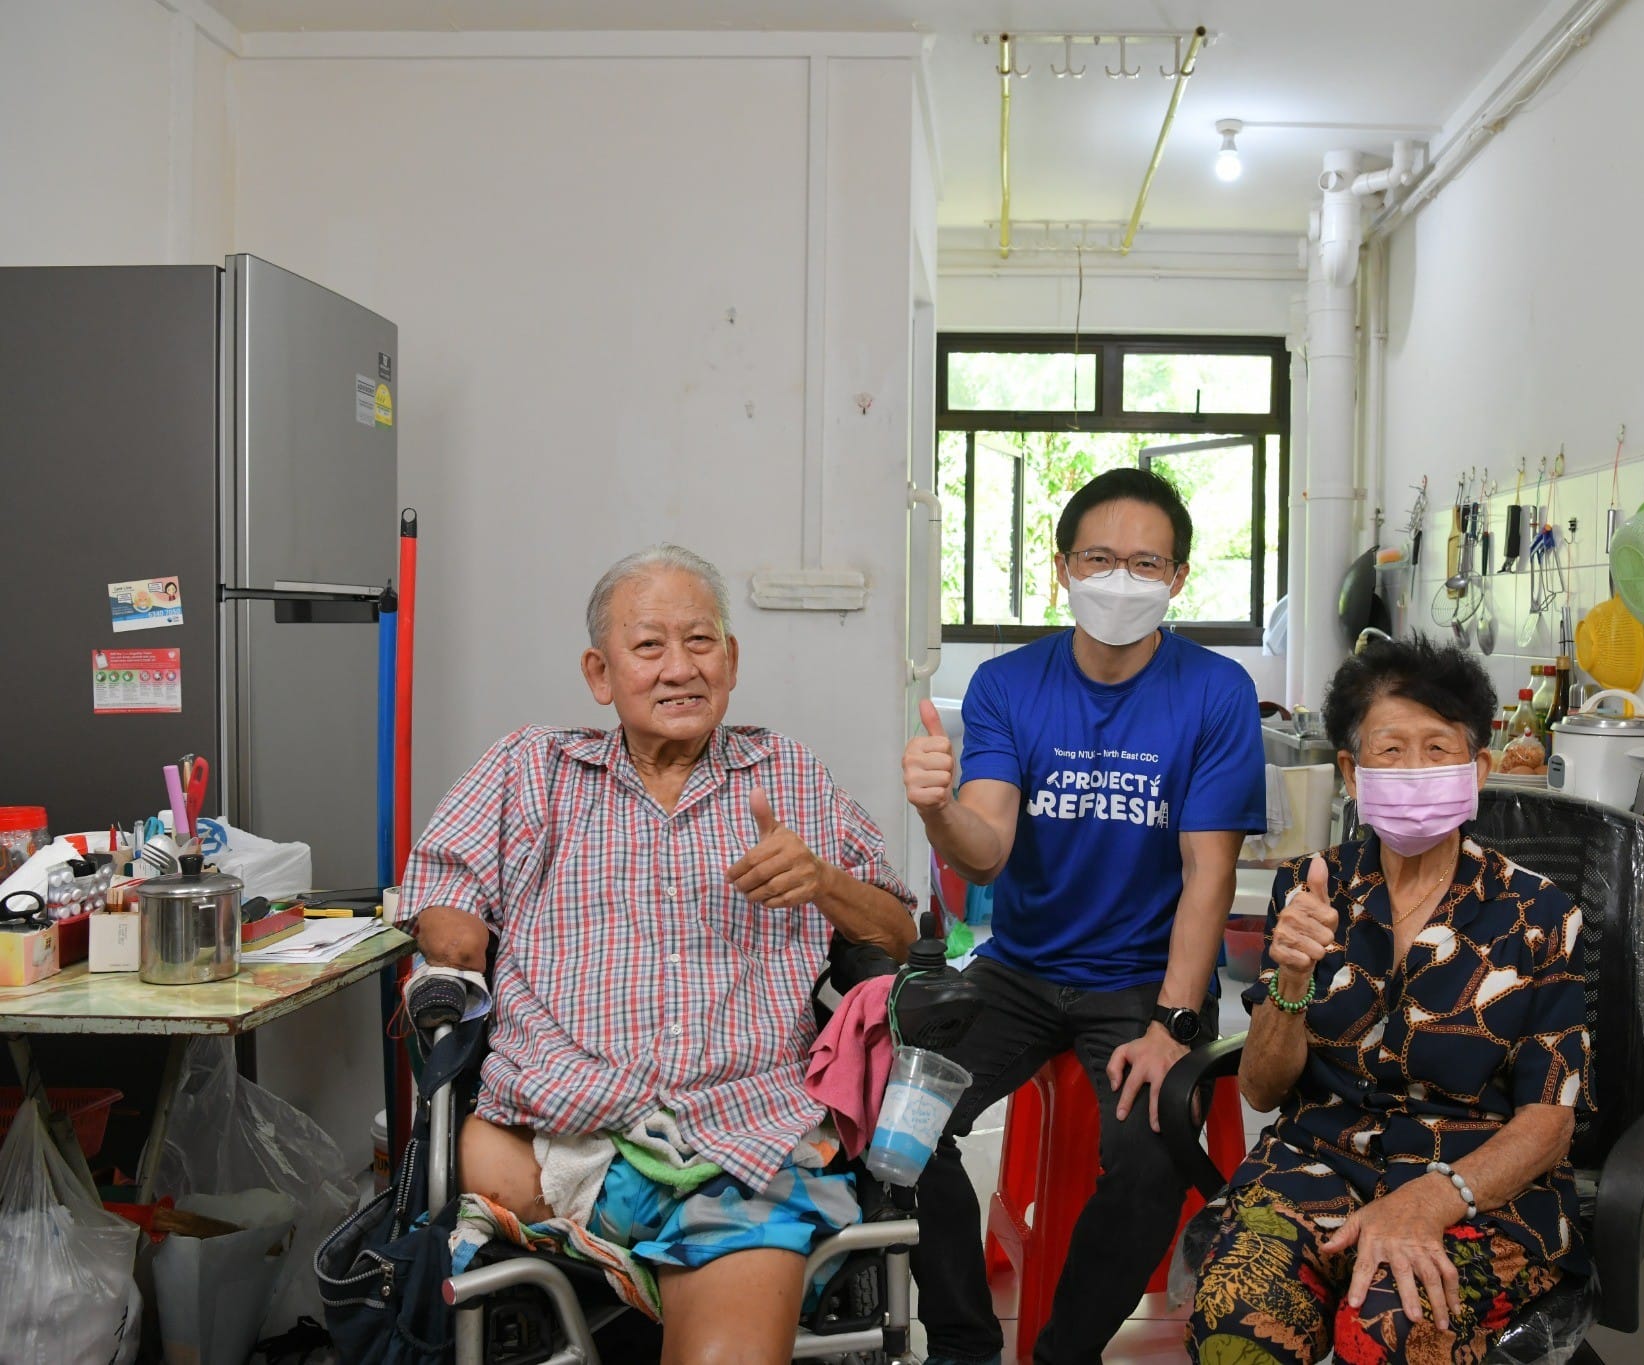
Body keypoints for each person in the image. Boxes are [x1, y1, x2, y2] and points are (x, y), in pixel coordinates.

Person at [399, 544, 916, 1364]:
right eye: (649, 645)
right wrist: (455, 926)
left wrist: (823, 881)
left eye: (700, 640)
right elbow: (440, 892)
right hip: (560, 1120)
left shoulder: (789, 774)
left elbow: (898, 935)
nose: (680, 667)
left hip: (740, 1132)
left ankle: (680, 1246)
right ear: (600, 673)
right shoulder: (533, 769)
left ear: (731, 659)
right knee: (482, 1152)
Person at [902, 467, 1267, 1364]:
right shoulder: (1008, 684)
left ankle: (1064, 1352)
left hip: (1146, 982)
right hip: (1019, 969)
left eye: (1146, 563)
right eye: (1100, 558)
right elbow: (986, 848)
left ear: (1178, 578)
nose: (1120, 579)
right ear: (1062, 566)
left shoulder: (1214, 691)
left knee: (1151, 1155)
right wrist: (938, 810)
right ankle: (962, 1342)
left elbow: (1207, 873)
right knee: (899, 1124)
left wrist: (1175, 1024)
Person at [1185, 636, 1592, 1365]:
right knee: (1235, 1322)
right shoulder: (1311, 887)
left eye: (1438, 748)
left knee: (1390, 1330)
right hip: (1313, 1171)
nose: (1415, 769)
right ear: (1352, 770)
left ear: (1479, 769)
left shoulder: (1539, 913)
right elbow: (1261, 1089)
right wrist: (1291, 980)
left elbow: (1549, 1122)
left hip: (1473, 1191)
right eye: (1391, 750)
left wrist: (1429, 1200)